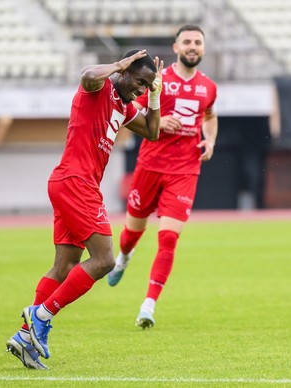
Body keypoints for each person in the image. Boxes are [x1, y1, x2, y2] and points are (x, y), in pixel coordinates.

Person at [6, 49, 164, 369]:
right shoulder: (101, 87)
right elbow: (88, 75)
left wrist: (156, 95)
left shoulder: (124, 105)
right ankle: (40, 316)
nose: (142, 89)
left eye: (147, 85)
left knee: (63, 267)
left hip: (71, 183)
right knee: (105, 259)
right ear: (124, 71)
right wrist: (119, 65)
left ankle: (25, 337)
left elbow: (152, 131)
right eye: (140, 80)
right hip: (76, 182)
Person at [107, 24, 218, 329]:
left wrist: (210, 140)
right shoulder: (157, 80)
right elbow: (134, 111)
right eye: (187, 42)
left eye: (197, 42)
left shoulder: (209, 87)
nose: (192, 46)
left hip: (185, 170)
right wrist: (159, 118)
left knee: (168, 237)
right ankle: (124, 258)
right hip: (150, 166)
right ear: (176, 47)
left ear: (203, 49)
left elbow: (210, 115)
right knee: (132, 233)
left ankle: (148, 305)